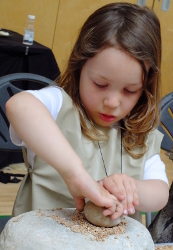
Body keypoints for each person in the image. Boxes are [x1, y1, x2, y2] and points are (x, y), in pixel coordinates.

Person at [6, 2, 169, 223]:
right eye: (100, 84)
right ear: (79, 67)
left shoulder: (141, 134)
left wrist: (132, 190)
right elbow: (20, 106)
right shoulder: (58, 106)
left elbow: (160, 194)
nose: (112, 102)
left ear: (145, 88)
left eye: (130, 91)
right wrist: (75, 175)